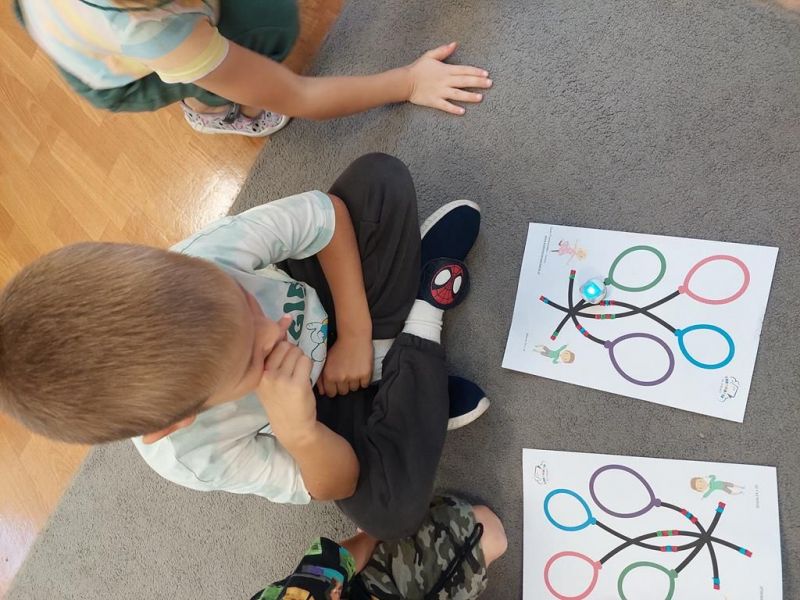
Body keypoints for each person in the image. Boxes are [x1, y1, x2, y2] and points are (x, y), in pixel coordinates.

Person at [0, 153, 489, 539]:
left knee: (379, 178)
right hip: (316, 411)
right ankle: (421, 328)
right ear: (178, 421)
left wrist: (357, 332)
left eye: (245, 300)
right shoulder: (195, 455)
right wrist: (301, 433)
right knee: (390, 512)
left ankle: (407, 388)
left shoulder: (206, 256)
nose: (275, 331)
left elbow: (329, 215)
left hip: (333, 307)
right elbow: (334, 482)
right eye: (252, 359)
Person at [14, 0, 493, 136]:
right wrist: (408, 81)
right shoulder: (156, 33)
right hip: (118, 74)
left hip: (58, 18)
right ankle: (210, 108)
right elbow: (300, 96)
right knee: (261, 38)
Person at [250, 496, 507, 600]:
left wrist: (375, 534)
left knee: (489, 531)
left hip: (372, 589)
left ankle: (378, 537)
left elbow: (333, 563)